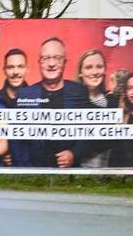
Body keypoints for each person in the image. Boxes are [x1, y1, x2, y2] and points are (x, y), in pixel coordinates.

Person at [14, 37, 87, 168]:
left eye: (57, 58)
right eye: (46, 58)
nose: (51, 64)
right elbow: (17, 138)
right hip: (33, 174)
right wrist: (26, 170)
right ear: (39, 62)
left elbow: (90, 132)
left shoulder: (79, 91)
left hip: (69, 175)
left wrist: (74, 153)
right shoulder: (24, 95)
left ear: (64, 62)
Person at [76, 49, 116, 168]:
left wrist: (114, 96)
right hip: (81, 166)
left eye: (99, 67)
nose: (94, 72)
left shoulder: (112, 98)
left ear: (104, 71)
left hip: (112, 167)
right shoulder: (73, 100)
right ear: (80, 73)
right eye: (89, 67)